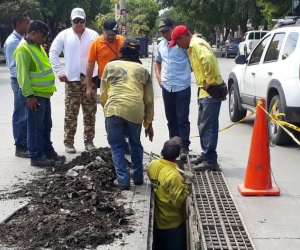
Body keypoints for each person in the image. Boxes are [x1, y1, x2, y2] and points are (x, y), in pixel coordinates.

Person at [169, 25, 225, 171]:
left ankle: (210, 160)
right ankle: (206, 154)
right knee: (202, 125)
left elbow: (208, 60)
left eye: (177, 42)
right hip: (204, 92)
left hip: (210, 92)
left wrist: (209, 81)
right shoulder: (193, 46)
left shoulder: (197, 44)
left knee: (209, 127)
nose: (179, 46)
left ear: (183, 37)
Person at [100, 39, 154, 190]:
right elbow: (148, 100)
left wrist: (107, 110)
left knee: (116, 145)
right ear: (137, 53)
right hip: (135, 110)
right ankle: (137, 178)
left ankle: (123, 180)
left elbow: (103, 94)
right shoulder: (143, 71)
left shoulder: (110, 66)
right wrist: (148, 123)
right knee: (135, 143)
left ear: (121, 51)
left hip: (114, 109)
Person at [14, 20, 66, 167]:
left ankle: (47, 152)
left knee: (45, 125)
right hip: (34, 95)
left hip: (43, 94)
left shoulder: (36, 45)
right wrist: (29, 96)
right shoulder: (23, 50)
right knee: (35, 127)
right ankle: (36, 157)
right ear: (33, 33)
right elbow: (22, 76)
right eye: (42, 36)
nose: (44, 39)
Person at [49, 8, 99, 154]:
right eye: (76, 21)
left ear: (85, 21)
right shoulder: (64, 35)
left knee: (90, 113)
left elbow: (100, 54)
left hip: (89, 81)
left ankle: (89, 141)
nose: (79, 23)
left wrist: (97, 77)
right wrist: (59, 71)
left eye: (81, 21)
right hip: (72, 82)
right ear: (71, 21)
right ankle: (69, 142)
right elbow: (53, 52)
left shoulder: (93, 35)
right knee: (71, 113)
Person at [85, 18, 128, 152]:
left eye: (114, 34)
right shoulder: (96, 44)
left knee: (124, 114)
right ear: (103, 30)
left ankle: (124, 142)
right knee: (110, 114)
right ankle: (114, 142)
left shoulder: (122, 41)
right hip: (106, 86)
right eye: (109, 33)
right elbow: (90, 66)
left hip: (123, 85)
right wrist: (88, 86)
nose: (111, 36)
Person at [154, 18, 191, 161]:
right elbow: (157, 62)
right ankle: (173, 145)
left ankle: (184, 147)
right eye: (162, 32)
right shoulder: (161, 45)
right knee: (171, 119)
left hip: (182, 86)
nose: (164, 34)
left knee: (182, 118)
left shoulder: (182, 44)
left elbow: (193, 61)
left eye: (166, 31)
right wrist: (158, 77)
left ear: (173, 28)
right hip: (167, 87)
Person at [147, 136, 194, 250]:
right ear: (177, 156)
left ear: (162, 152)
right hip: (172, 224)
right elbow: (178, 202)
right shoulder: (174, 176)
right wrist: (187, 183)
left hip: (159, 221)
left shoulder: (153, 164)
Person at [4, 13, 30, 158]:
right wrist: (23, 85)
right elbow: (13, 67)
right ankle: (20, 146)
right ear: (19, 24)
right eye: (27, 23)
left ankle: (25, 143)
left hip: (22, 81)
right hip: (19, 82)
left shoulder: (21, 40)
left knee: (26, 114)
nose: (29, 26)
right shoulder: (13, 42)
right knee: (21, 115)